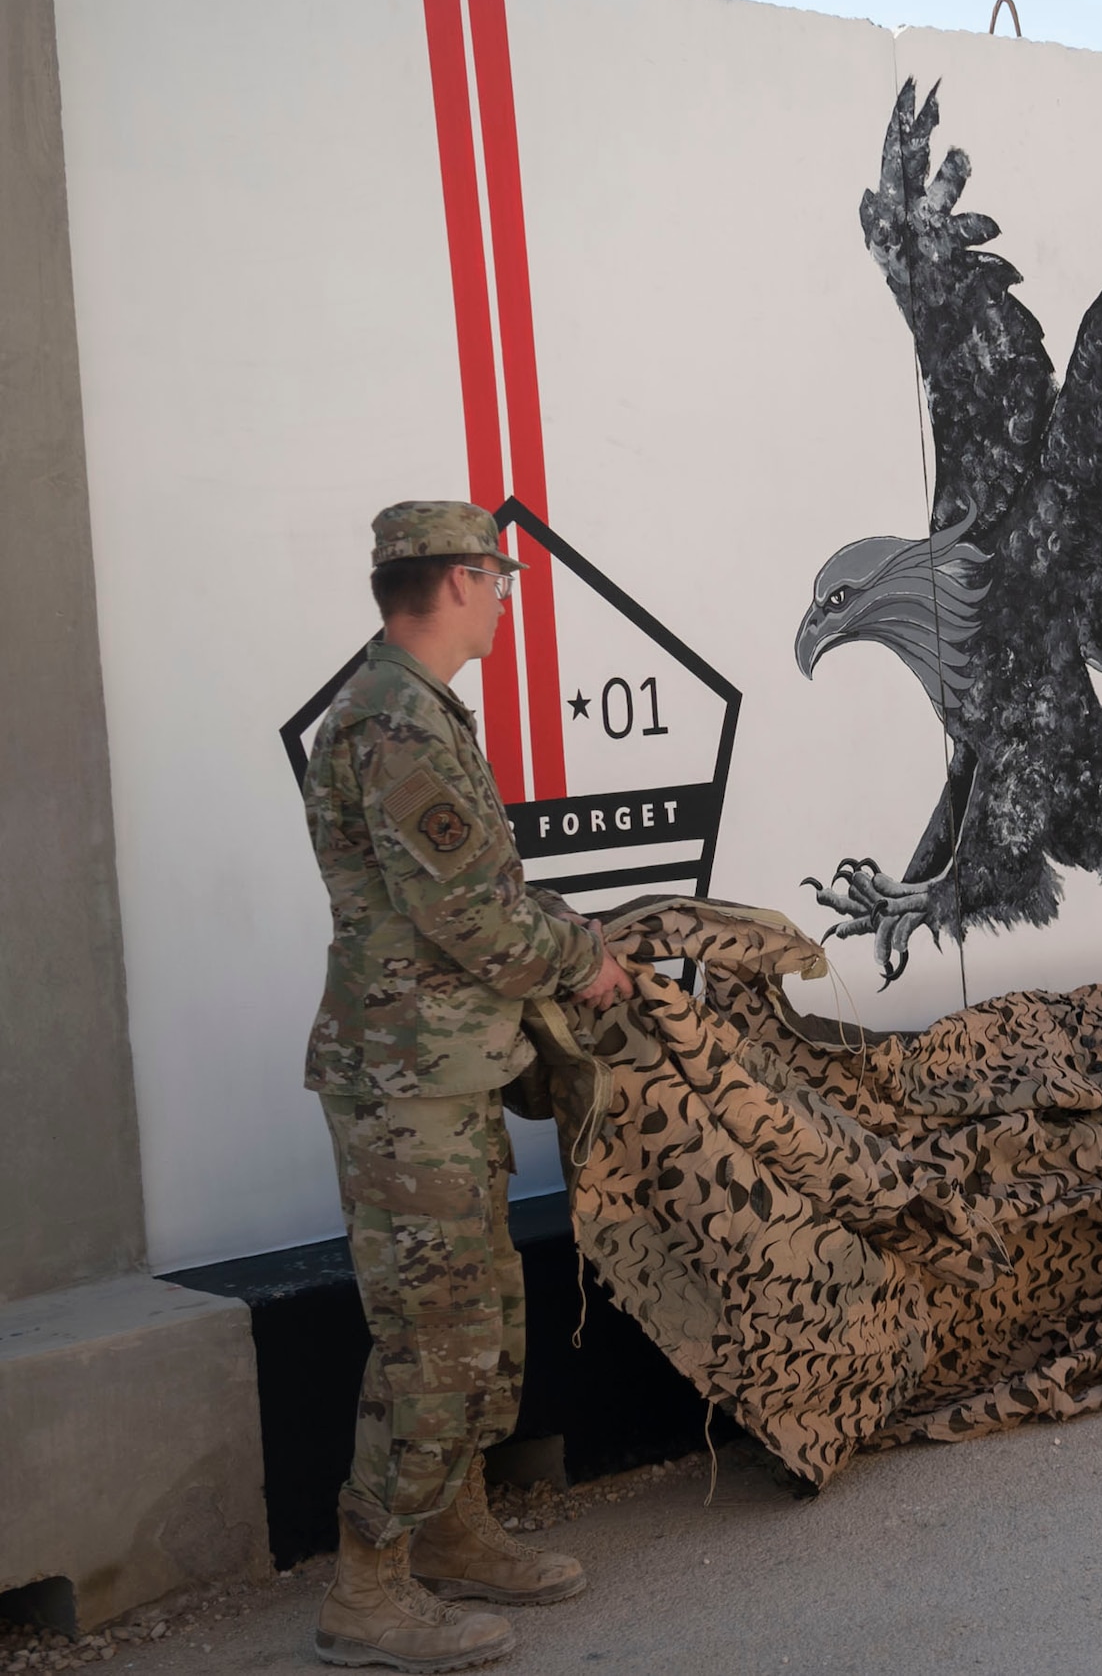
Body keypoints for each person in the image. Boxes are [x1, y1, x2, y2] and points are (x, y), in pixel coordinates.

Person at [302, 501, 634, 1672]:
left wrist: (570, 932)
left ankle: (452, 1528)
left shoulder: (418, 711)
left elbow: (487, 883)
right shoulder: (389, 724)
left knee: (481, 1311)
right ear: (450, 582)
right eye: (494, 578)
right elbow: (466, 911)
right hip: (405, 1084)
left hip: (446, 1069)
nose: (502, 595)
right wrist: (581, 960)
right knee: (429, 1333)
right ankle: (369, 1585)